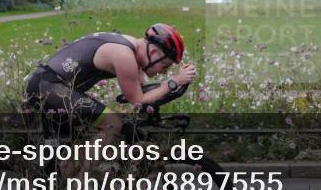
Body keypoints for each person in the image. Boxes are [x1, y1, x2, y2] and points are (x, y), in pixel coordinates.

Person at [25, 23, 197, 143]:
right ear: (152, 51)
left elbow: (143, 94)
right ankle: (82, 186)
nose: (162, 72)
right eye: (164, 66)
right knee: (112, 123)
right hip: (48, 86)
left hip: (48, 84)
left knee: (75, 149)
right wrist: (173, 82)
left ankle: (64, 186)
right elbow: (138, 100)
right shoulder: (124, 55)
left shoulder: (132, 50)